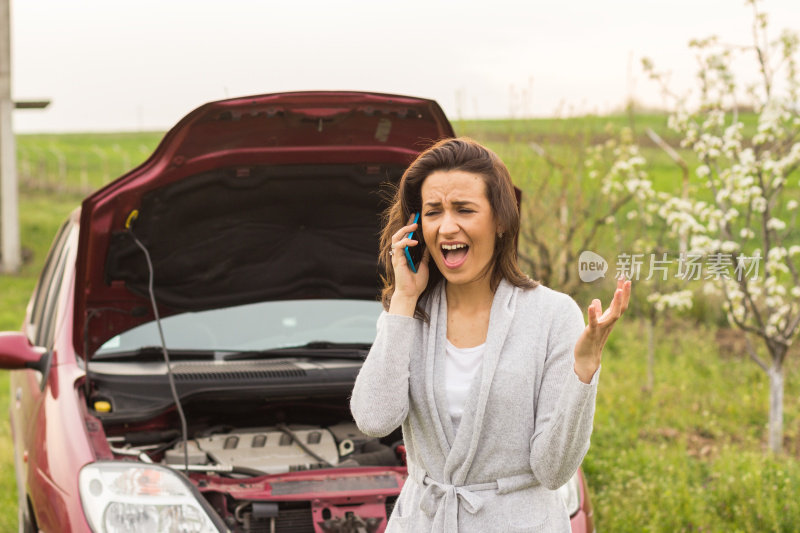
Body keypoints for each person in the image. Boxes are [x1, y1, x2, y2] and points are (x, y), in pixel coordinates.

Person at [350, 137, 630, 532]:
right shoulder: (407, 313)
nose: (447, 226)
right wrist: (404, 300)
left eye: (464, 209)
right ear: (416, 225)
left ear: (500, 220)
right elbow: (374, 419)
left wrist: (583, 372)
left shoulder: (552, 315)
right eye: (433, 212)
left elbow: (553, 471)